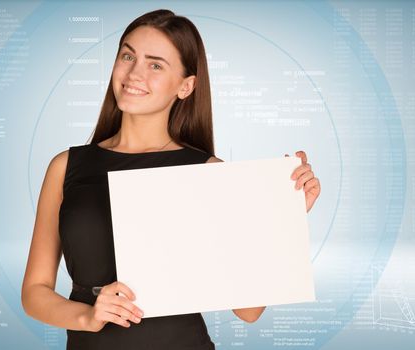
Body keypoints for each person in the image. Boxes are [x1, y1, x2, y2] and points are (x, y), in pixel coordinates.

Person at [21, 9, 321, 350]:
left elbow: (248, 311)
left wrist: (284, 217)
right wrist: (87, 317)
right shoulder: (66, 166)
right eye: (128, 56)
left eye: (155, 65)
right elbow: (34, 292)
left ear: (186, 86)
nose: (135, 73)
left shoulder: (209, 173)